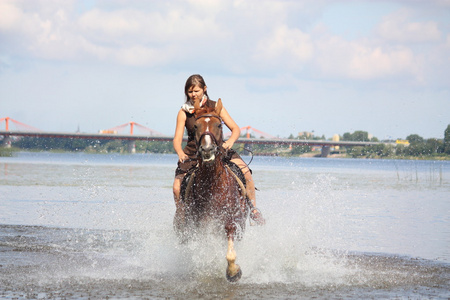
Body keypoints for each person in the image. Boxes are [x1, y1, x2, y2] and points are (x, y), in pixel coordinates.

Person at [173, 74, 265, 227]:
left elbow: (235, 129)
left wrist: (229, 142)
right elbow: (177, 139)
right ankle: (182, 215)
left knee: (246, 173)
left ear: (204, 89)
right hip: (193, 154)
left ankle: (254, 210)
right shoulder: (183, 112)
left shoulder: (216, 107)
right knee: (176, 187)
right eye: (190, 92)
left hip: (218, 150)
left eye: (196, 91)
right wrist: (180, 153)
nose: (193, 94)